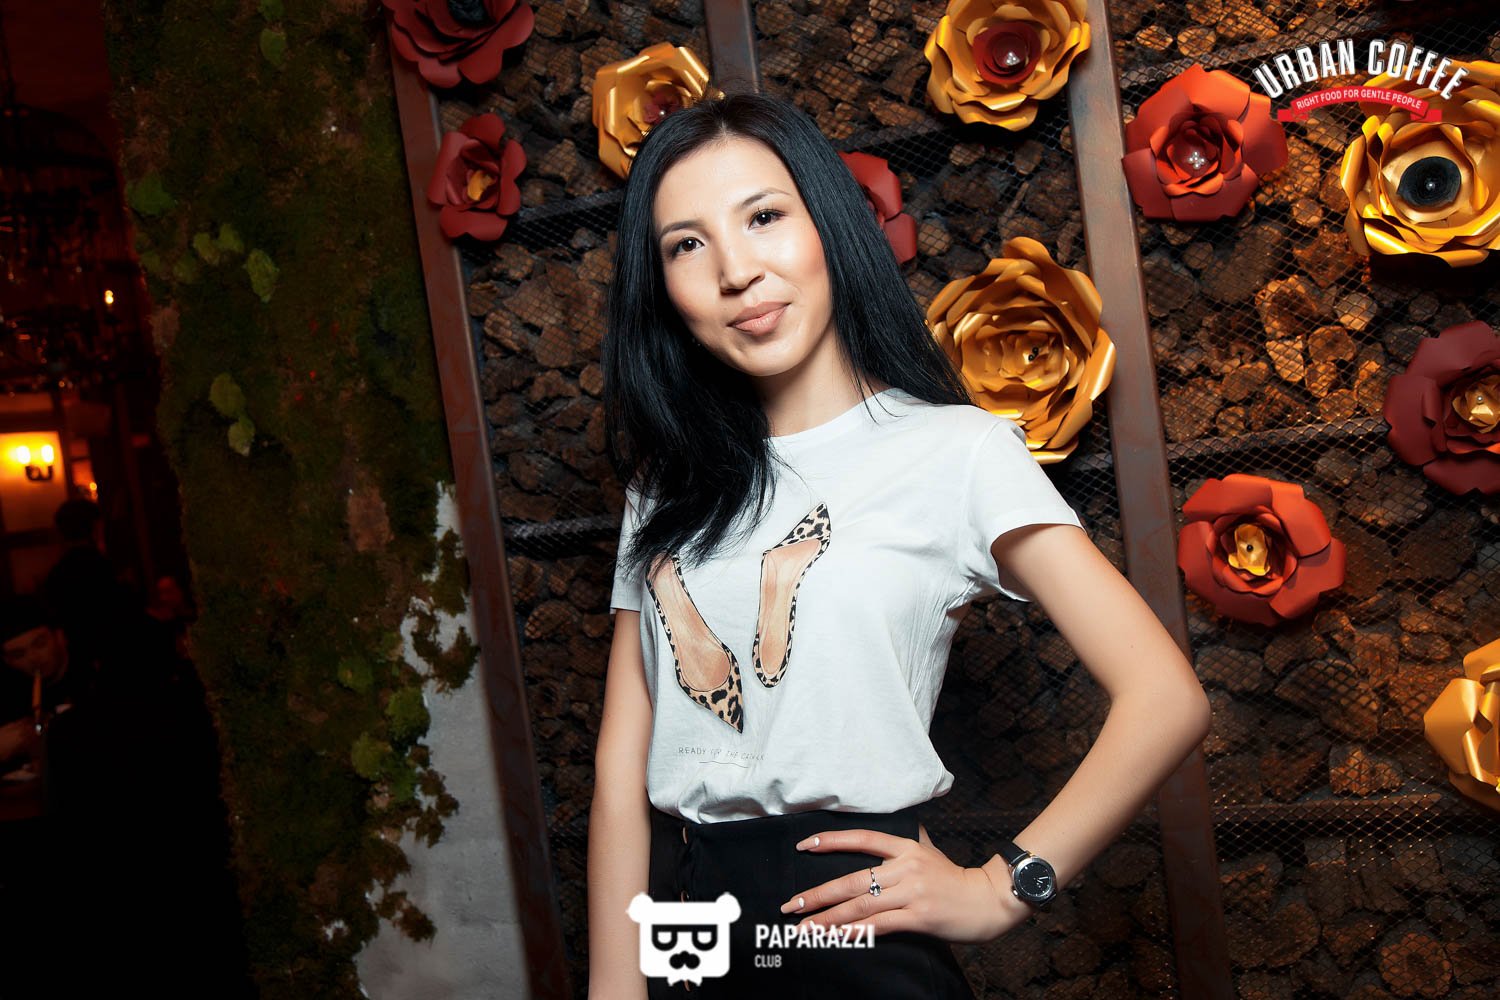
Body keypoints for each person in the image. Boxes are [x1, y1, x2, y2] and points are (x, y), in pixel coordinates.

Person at [588, 91, 1213, 998]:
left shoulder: (955, 451)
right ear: (663, 286)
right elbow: (621, 764)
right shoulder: (667, 486)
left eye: (763, 217)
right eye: (687, 244)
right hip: (691, 931)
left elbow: (1165, 697)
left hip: (853, 938)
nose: (737, 270)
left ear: (828, 224)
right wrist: (614, 985)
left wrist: (1002, 889)